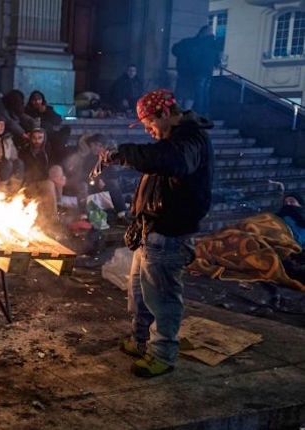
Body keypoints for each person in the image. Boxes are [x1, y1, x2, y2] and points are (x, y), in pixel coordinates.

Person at [99, 88, 214, 377]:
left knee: (161, 297)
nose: (149, 130)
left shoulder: (189, 140)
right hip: (150, 230)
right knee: (140, 293)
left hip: (168, 231)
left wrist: (122, 154)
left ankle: (162, 354)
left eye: (150, 123)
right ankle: (141, 341)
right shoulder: (172, 140)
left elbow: (168, 160)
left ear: (165, 114)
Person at [172, 25, 222, 116]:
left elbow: (193, 56)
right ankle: (203, 112)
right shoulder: (213, 44)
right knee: (203, 92)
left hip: (197, 71)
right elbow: (217, 60)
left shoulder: (195, 43)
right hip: (207, 72)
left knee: (196, 92)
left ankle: (198, 112)